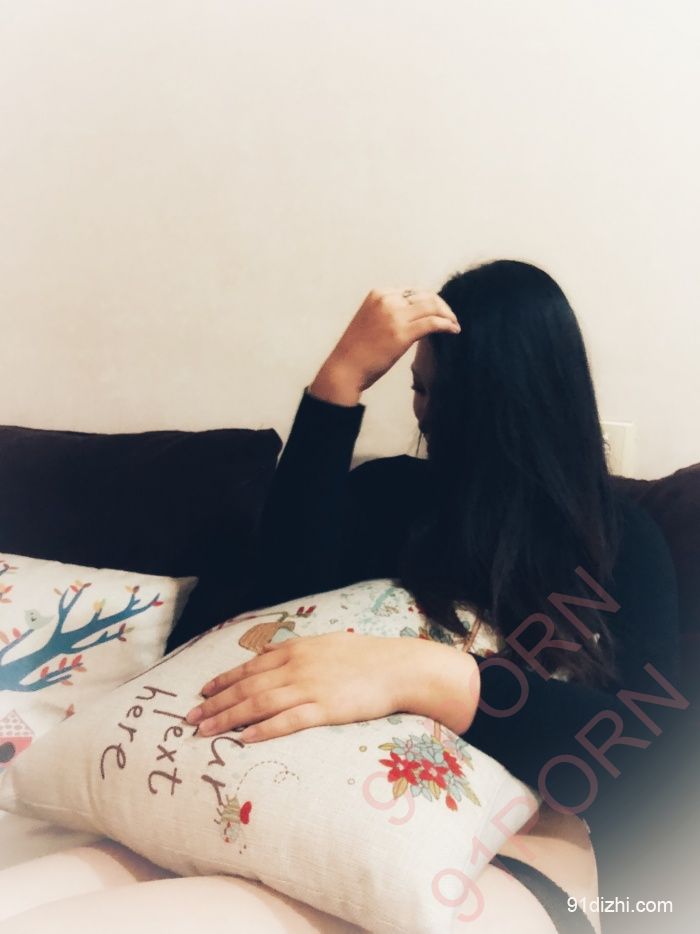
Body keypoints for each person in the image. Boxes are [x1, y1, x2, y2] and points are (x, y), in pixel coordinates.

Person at [186, 260, 685, 932]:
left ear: (512, 405)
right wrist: (339, 382)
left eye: (440, 395)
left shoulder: (619, 543)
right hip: (306, 818)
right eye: (418, 389)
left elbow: (654, 764)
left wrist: (436, 678)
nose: (422, 413)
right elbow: (276, 602)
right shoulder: (391, 497)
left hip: (506, 858)